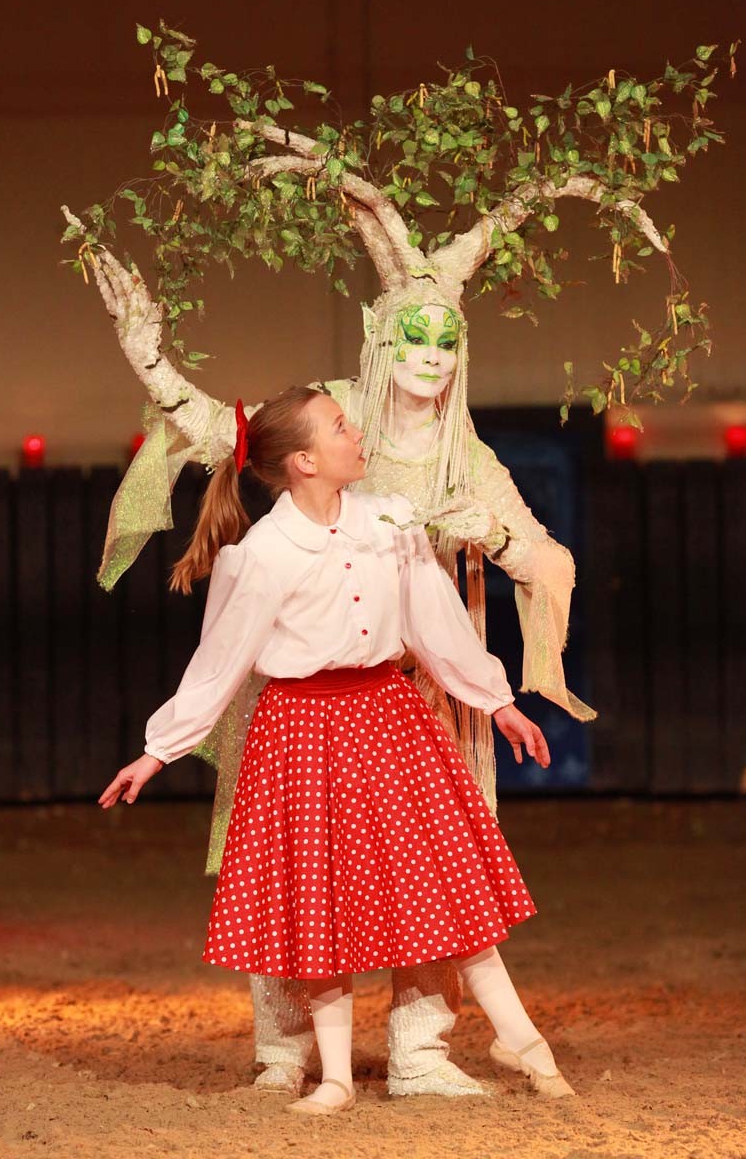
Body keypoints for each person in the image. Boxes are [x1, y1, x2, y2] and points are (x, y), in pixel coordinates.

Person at [98, 385, 575, 1115]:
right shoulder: (262, 554)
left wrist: (496, 700)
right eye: (339, 427)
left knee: (444, 887)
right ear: (302, 462)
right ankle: (336, 1078)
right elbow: (219, 664)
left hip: (390, 721)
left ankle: (520, 1041)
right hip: (302, 734)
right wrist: (158, 751)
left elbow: (435, 621)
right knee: (316, 903)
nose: (357, 434)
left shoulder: (389, 523)